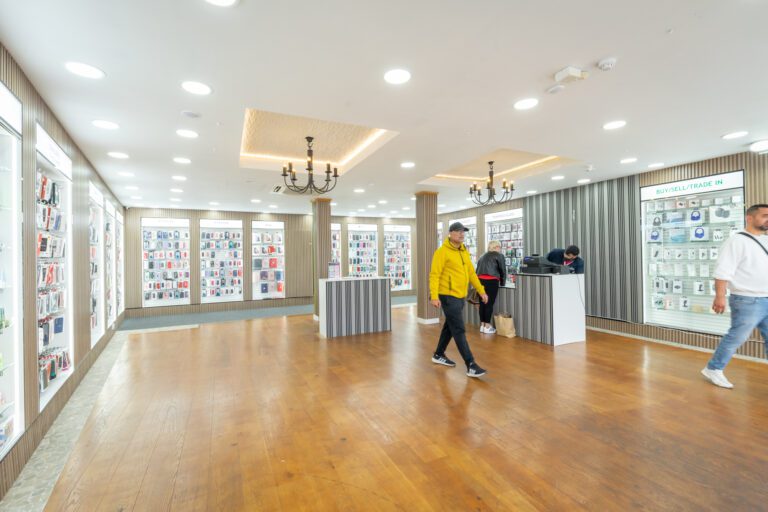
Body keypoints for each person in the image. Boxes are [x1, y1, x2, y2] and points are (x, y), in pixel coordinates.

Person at [701, 204, 768, 389]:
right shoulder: (736, 241)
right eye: (764, 215)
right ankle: (713, 368)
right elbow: (722, 271)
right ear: (749, 218)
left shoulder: (765, 240)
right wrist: (720, 297)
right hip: (747, 299)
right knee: (737, 337)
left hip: (766, 297)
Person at [430, 222, 489, 378]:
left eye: (463, 231)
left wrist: (481, 290)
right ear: (450, 233)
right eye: (458, 231)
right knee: (458, 329)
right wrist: (434, 296)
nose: (462, 234)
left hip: (460, 295)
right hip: (447, 295)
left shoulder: (464, 251)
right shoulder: (441, 252)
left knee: (450, 326)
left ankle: (438, 354)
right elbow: (434, 275)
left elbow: (471, 273)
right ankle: (471, 364)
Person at [475, 240, 507, 334]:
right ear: (496, 247)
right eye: (499, 247)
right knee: (489, 303)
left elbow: (477, 270)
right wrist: (503, 283)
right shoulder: (499, 255)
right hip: (492, 281)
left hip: (480, 281)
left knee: (482, 303)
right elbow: (503, 270)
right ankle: (487, 326)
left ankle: (482, 325)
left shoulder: (482, 256)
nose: (500, 249)